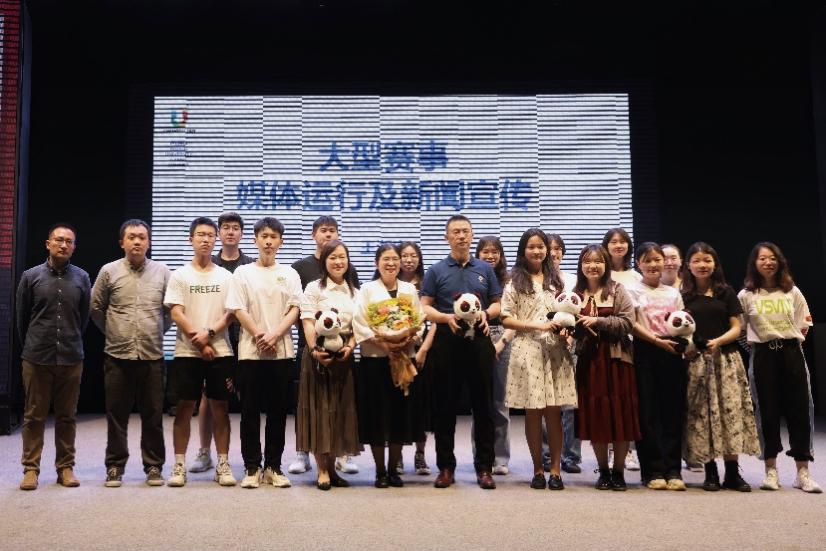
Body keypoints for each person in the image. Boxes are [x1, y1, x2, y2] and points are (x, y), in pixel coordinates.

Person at [420, 215, 501, 490]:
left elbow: (498, 304)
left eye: (466, 231)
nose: (461, 236)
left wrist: (486, 314)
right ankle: (446, 467)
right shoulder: (436, 270)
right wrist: (445, 317)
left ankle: (484, 468)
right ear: (447, 237)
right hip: (447, 343)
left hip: (480, 342)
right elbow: (425, 306)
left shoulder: (485, 269)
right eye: (455, 232)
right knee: (445, 407)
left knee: (484, 407)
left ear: (472, 235)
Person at [91, 219, 171, 488]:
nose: (137, 242)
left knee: (153, 415)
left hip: (152, 356)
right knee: (116, 415)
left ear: (149, 242)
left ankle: (154, 466)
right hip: (117, 356)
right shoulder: (108, 271)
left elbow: (170, 312)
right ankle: (115, 466)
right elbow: (96, 308)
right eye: (132, 237)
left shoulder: (162, 272)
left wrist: (156, 331)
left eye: (142, 237)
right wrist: (114, 332)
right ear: (122, 243)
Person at [739, 242, 821, 493]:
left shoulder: (792, 292)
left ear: (780, 261)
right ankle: (770, 471)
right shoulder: (746, 295)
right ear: (754, 263)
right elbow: (739, 329)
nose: (768, 262)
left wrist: (789, 344)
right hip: (762, 355)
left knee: (800, 410)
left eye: (772, 258)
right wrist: (757, 348)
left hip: (791, 352)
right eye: (762, 258)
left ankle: (802, 473)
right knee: (767, 412)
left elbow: (804, 324)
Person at [226, 217, 302, 489]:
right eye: (264, 236)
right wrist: (260, 334)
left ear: (281, 241)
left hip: (281, 352)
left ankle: (273, 466)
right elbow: (237, 308)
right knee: (249, 412)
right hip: (250, 352)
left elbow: (295, 308)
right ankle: (252, 467)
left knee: (278, 412)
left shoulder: (290, 273)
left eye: (274, 237)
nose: (268, 241)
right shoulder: (242, 273)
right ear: (255, 240)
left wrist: (275, 335)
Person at [16, 223, 91, 491]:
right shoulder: (30, 276)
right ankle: (31, 469)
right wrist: (33, 345)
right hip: (37, 357)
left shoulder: (82, 277)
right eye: (59, 240)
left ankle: (65, 467)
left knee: (67, 416)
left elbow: (83, 318)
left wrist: (70, 340)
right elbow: (22, 319)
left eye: (69, 241)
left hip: (71, 357)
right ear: (48, 244)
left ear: (74, 247)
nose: (63, 245)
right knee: (34, 416)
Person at [501, 229, 577, 490]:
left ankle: (555, 471)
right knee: (533, 413)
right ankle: (537, 470)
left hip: (556, 351)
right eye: (531, 247)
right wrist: (538, 325)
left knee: (554, 413)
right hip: (527, 350)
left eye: (541, 246)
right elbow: (506, 318)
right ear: (523, 250)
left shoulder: (557, 281)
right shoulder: (514, 282)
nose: (537, 251)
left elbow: (568, 312)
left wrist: (567, 329)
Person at [163, 217, 236, 487]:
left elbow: (231, 313)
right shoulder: (180, 275)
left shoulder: (226, 276)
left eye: (210, 235)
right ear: (191, 239)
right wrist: (200, 342)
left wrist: (210, 335)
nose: (205, 239)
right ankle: (179, 464)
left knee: (220, 408)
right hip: (187, 352)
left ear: (216, 240)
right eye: (200, 235)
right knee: (184, 408)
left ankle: (223, 464)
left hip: (220, 352)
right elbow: (176, 312)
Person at [681, 242, 759, 492]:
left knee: (730, 413)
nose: (702, 265)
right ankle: (710, 471)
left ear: (715, 264)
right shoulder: (684, 296)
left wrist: (718, 342)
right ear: (688, 265)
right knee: (703, 415)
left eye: (707, 260)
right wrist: (693, 346)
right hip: (697, 362)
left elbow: (737, 327)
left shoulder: (726, 292)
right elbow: (680, 329)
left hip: (726, 360)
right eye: (696, 261)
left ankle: (733, 472)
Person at [289, 216, 361, 475]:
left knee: (341, 410)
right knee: (318, 412)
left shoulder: (355, 291)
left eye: (342, 257)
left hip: (344, 357)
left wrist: (350, 346)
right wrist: (315, 350)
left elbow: (359, 324)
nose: (338, 262)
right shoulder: (313, 287)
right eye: (333, 258)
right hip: (317, 355)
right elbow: (307, 321)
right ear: (324, 261)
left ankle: (336, 464)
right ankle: (321, 470)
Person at [353, 243, 425, 488]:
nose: (391, 263)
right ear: (377, 263)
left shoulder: (409, 289)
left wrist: (408, 338)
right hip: (375, 361)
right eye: (386, 259)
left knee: (399, 415)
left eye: (395, 259)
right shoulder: (367, 289)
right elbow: (360, 322)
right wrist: (385, 344)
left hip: (404, 359)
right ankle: (380, 471)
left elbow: (419, 320)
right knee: (377, 416)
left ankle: (394, 470)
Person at [190, 212, 254, 474]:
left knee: (248, 397)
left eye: (235, 228)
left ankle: (250, 458)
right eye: (225, 227)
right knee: (209, 397)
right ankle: (205, 452)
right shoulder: (209, 263)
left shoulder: (250, 266)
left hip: (246, 339)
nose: (230, 232)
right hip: (215, 340)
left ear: (241, 234)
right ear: (219, 233)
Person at [573, 244, 639, 491]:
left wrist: (598, 321)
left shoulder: (617, 289)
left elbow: (628, 322)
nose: (593, 266)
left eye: (598, 261)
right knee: (597, 416)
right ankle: (603, 471)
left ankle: (619, 472)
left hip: (617, 361)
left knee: (620, 414)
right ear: (581, 266)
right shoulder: (575, 293)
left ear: (606, 265)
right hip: (589, 363)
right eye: (588, 261)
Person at [627, 242, 687, 491]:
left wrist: (682, 344)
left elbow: (684, 322)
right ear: (638, 264)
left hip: (672, 353)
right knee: (648, 413)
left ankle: (673, 470)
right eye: (647, 260)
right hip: (645, 352)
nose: (653, 265)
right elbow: (631, 323)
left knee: (672, 412)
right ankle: (652, 471)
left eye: (657, 260)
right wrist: (655, 340)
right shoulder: (631, 290)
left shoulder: (673, 293)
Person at [602, 228, 642, 472]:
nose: (618, 245)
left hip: (632, 343)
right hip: (605, 344)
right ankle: (609, 450)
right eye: (613, 242)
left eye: (622, 241)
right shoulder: (601, 274)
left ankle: (629, 451)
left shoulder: (636, 276)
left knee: (628, 400)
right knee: (608, 399)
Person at [474, 236, 514, 475]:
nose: (490, 256)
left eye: (494, 252)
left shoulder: (509, 282)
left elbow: (513, 317)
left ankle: (500, 458)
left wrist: (499, 346)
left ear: (501, 255)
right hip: (478, 338)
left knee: (500, 404)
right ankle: (481, 457)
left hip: (503, 340)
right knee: (479, 404)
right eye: (485, 252)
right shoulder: (473, 277)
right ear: (478, 254)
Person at [397, 241, 435, 476]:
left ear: (419, 259)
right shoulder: (390, 285)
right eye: (404, 255)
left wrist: (423, 350)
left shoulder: (427, 284)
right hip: (396, 352)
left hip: (422, 353)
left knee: (421, 406)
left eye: (413, 256)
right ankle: (398, 455)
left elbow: (434, 321)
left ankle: (420, 455)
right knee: (399, 406)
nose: (409, 260)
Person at [545, 233, 581, 474]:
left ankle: (572, 456)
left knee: (570, 404)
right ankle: (547, 455)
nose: (554, 252)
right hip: (545, 344)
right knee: (546, 402)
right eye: (550, 248)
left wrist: (571, 336)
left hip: (571, 345)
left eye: (558, 248)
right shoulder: (538, 280)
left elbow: (579, 311)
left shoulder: (573, 280)